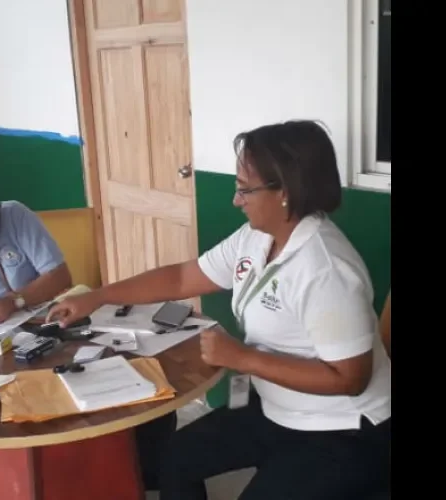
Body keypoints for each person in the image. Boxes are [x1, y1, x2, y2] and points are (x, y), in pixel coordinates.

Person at [48, 120, 392, 500]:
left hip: (342, 430)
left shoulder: (325, 268)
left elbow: (350, 378)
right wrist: (98, 296)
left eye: (245, 189)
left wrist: (243, 358)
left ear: (286, 192)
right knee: (177, 456)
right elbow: (182, 278)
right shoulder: (255, 238)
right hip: (277, 408)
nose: (235, 200)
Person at [0, 163, 177, 498]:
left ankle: (121, 468)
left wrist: (14, 301)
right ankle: (0, 475)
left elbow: (60, 277)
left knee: (103, 384)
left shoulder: (13, 217)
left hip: (49, 331)